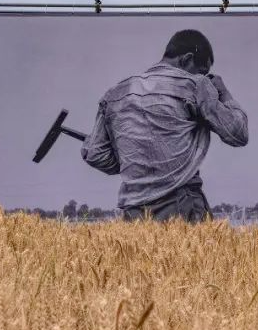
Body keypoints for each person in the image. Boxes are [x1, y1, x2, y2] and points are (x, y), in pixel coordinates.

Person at [80, 29, 248, 222]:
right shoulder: (195, 85)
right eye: (203, 71)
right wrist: (223, 92)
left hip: (134, 213)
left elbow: (95, 153)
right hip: (181, 207)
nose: (205, 77)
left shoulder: (114, 94)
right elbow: (238, 133)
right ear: (186, 59)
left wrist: (138, 163)